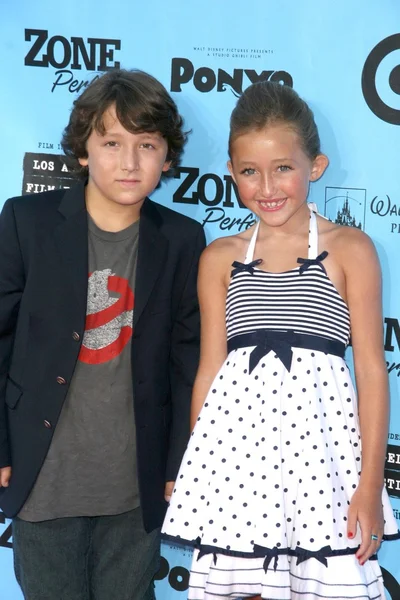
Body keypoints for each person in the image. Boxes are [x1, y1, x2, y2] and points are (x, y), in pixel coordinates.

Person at [161, 81, 400, 600]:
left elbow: (371, 372)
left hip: (324, 468)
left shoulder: (350, 249)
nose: (266, 186)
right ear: (231, 173)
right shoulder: (219, 258)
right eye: (249, 172)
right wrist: (199, 473)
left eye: (283, 168)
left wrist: (369, 485)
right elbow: (208, 371)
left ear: (315, 166)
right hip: (234, 469)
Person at [0, 68, 205, 600]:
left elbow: (188, 362)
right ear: (84, 150)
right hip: (42, 476)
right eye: (112, 142)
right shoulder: (28, 222)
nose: (130, 162)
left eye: (147, 145)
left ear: (167, 156)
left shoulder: (183, 239)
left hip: (134, 487)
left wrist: (176, 462)